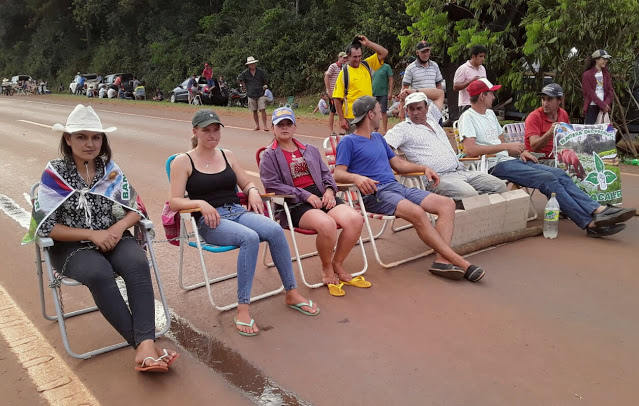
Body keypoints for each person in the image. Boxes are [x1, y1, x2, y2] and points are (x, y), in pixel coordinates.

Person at [22, 104, 179, 372]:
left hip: (113, 236)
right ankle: (145, 345)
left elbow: (135, 209)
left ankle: (144, 348)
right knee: (98, 272)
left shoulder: (110, 170)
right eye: (81, 136)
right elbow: (46, 226)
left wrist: (116, 230)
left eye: (96, 137)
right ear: (68, 139)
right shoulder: (55, 173)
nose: (90, 143)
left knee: (137, 263)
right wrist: (92, 235)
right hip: (71, 245)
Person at [169, 109, 320, 336]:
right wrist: (200, 203)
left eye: (216, 130)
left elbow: (246, 182)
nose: (212, 135)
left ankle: (292, 292)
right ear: (195, 132)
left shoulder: (227, 155)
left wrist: (251, 191)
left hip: (236, 211)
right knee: (248, 238)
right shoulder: (183, 161)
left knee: (274, 229)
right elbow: (174, 202)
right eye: (206, 130)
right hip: (211, 221)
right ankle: (243, 309)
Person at [333, 96, 486, 282]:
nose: (382, 115)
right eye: (378, 111)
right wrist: (356, 177)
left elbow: (398, 164)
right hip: (376, 194)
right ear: (370, 114)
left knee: (446, 204)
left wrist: (424, 168)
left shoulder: (378, 139)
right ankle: (460, 262)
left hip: (396, 188)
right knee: (417, 212)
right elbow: (338, 174)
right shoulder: (349, 142)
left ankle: (442, 261)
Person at [458, 79, 636, 238]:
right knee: (548, 179)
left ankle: (598, 209)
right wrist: (506, 147)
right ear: (482, 96)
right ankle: (589, 223)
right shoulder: (468, 117)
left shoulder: (489, 114)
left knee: (559, 173)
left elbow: (501, 141)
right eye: (491, 93)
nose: (494, 97)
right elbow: (470, 149)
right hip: (492, 165)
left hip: (509, 160)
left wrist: (520, 152)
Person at [260, 108, 367, 296]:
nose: (284, 128)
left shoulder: (310, 150)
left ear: (294, 127)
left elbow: (327, 175)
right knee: (327, 224)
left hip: (321, 196)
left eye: (288, 124)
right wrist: (303, 195)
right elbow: (272, 185)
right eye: (280, 125)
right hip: (295, 203)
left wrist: (328, 191)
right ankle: (327, 268)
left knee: (355, 219)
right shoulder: (269, 155)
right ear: (272, 129)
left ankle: (337, 263)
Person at [385, 91, 507, 201]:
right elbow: (384, 147)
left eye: (419, 108)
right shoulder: (403, 129)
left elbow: (439, 94)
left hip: (460, 170)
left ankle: (473, 210)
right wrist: (402, 164)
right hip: (436, 178)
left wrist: (413, 91)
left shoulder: (432, 117)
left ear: (427, 108)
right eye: (411, 109)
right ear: (406, 110)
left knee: (499, 186)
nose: (415, 113)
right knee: (469, 194)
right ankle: (464, 211)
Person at [332, 35, 388, 134]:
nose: (358, 59)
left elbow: (384, 52)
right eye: (355, 57)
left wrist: (368, 43)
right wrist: (341, 119)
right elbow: (337, 98)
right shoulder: (344, 73)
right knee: (357, 146)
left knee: (369, 144)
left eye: (359, 56)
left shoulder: (367, 65)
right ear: (348, 56)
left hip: (369, 115)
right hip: (352, 118)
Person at [400, 40, 445, 118]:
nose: (426, 54)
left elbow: (439, 87)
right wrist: (402, 109)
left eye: (427, 51)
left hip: (432, 107)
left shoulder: (434, 66)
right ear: (417, 53)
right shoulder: (410, 68)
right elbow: (404, 90)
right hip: (417, 108)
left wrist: (439, 104)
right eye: (423, 52)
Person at [525, 83, 570, 158]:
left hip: (559, 157)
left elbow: (569, 136)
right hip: (539, 159)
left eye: (549, 99)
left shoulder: (563, 114)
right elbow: (534, 147)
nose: (545, 104)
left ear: (560, 100)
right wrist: (549, 133)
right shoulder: (534, 117)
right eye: (543, 99)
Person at [237, 56, 269, 131]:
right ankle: (257, 125)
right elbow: (239, 79)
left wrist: (265, 86)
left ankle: (265, 125)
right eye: (251, 64)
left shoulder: (260, 72)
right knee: (254, 110)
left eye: (253, 64)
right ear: (248, 65)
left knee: (262, 109)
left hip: (260, 92)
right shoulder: (245, 73)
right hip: (251, 94)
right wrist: (244, 85)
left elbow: (265, 80)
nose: (252, 65)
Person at [453, 44, 487, 114]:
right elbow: (455, 87)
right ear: (473, 56)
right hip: (467, 104)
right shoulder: (463, 68)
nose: (483, 59)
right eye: (480, 56)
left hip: (480, 104)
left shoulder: (482, 68)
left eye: (484, 56)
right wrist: (471, 82)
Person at [582, 49, 614, 124]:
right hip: (592, 106)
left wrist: (606, 104)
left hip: (603, 107)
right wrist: (602, 105)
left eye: (606, 59)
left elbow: (610, 91)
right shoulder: (587, 75)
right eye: (603, 59)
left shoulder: (606, 74)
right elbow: (590, 93)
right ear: (596, 60)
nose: (605, 61)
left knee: (603, 132)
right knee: (590, 131)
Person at [324, 51, 349, 134]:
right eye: (343, 58)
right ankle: (331, 130)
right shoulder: (333, 66)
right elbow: (326, 77)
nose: (345, 59)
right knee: (332, 111)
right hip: (334, 93)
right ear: (339, 57)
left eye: (346, 58)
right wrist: (329, 91)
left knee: (341, 111)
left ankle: (341, 130)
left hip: (341, 93)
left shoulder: (344, 68)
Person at [372, 61, 393, 134]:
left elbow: (391, 79)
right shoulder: (372, 67)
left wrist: (390, 92)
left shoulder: (386, 67)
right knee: (374, 112)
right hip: (373, 93)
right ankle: (375, 129)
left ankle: (385, 130)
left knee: (383, 111)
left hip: (383, 93)